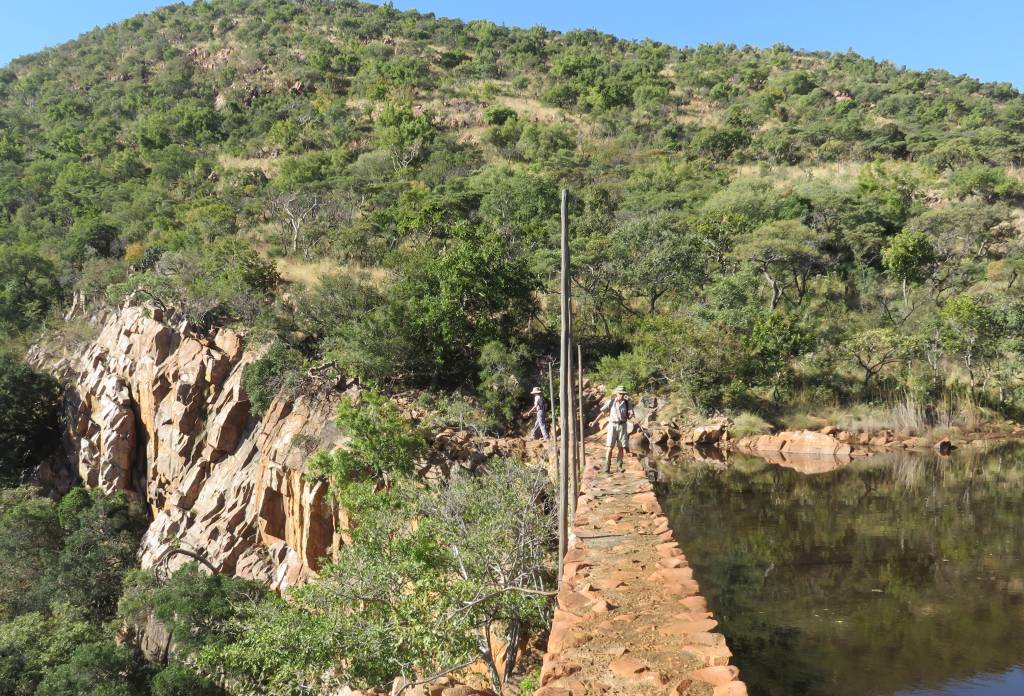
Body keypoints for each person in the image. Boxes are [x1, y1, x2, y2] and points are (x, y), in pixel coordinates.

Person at [589, 386, 634, 473]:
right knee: (610, 447)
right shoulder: (611, 402)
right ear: (616, 393)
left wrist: (631, 414)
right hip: (612, 425)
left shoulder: (627, 403)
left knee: (621, 447)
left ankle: (619, 466)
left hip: (622, 426)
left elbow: (631, 412)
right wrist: (594, 422)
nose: (622, 395)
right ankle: (607, 466)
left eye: (623, 394)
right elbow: (602, 413)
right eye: (620, 393)